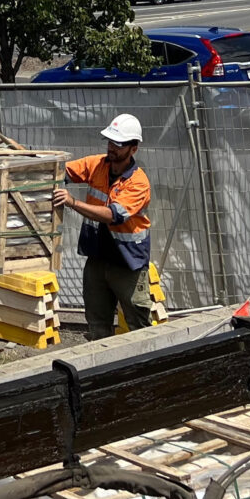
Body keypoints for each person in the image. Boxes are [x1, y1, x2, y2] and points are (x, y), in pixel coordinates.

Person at [51, 113, 153, 340]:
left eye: (118, 144)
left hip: (128, 265)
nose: (111, 148)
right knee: (97, 323)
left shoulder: (138, 183)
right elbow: (61, 172)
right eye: (110, 142)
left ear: (133, 149)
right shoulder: (97, 164)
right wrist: (32, 160)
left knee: (138, 323)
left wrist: (72, 202)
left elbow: (111, 215)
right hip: (97, 260)